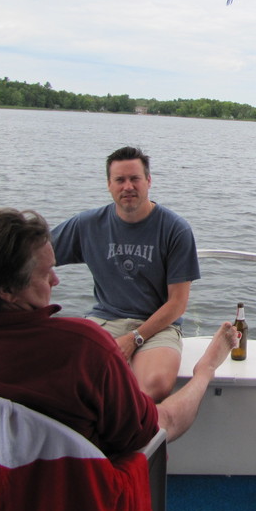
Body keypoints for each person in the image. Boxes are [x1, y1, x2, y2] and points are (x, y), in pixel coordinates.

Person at [0, 208, 236, 453]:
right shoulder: (82, 348)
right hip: (65, 498)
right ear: (6, 290)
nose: (56, 280)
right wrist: (205, 370)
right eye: (45, 274)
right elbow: (158, 428)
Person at [50, 146, 200, 402]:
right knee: (65, 378)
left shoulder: (175, 229)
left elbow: (177, 303)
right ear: (109, 184)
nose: (128, 186)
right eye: (120, 180)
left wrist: (134, 338)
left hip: (158, 325)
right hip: (105, 319)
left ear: (148, 181)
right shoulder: (87, 224)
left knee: (154, 385)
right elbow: (36, 255)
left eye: (135, 179)